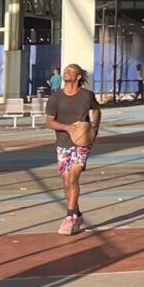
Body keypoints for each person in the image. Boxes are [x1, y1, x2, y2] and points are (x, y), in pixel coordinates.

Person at [45, 64, 100, 235]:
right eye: (65, 70)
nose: (66, 72)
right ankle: (77, 213)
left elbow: (97, 110)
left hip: (81, 144)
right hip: (63, 142)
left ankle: (70, 217)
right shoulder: (56, 97)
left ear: (78, 77)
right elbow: (49, 122)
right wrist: (67, 128)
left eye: (70, 70)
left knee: (73, 178)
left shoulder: (86, 96)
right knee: (66, 181)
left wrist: (95, 129)